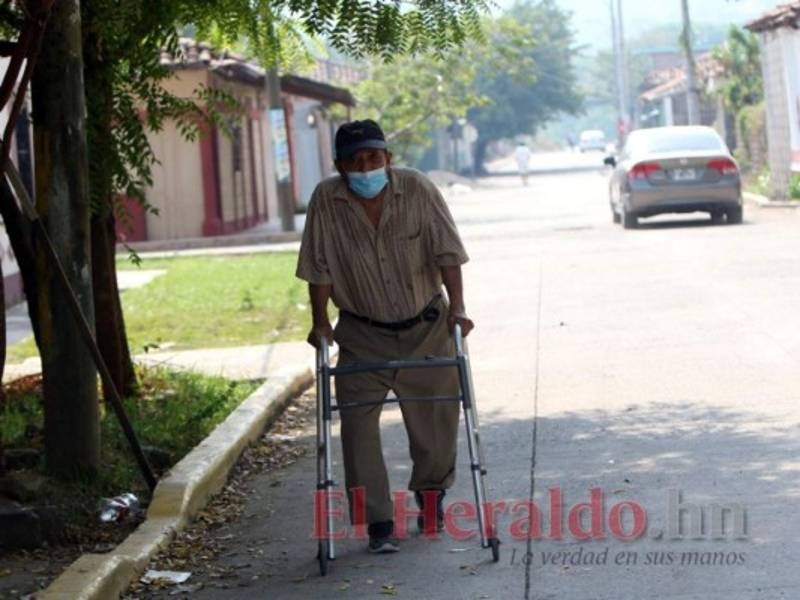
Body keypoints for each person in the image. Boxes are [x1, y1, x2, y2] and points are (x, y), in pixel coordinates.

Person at [296, 119, 474, 554]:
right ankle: (377, 521)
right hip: (360, 331)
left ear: (388, 159)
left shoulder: (417, 189)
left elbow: (448, 251)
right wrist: (321, 322)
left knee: (435, 417)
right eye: (355, 161)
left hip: (426, 326)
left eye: (373, 158)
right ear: (339, 166)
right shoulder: (326, 199)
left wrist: (459, 307)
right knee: (356, 425)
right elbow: (317, 266)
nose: (365, 167)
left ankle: (431, 495)